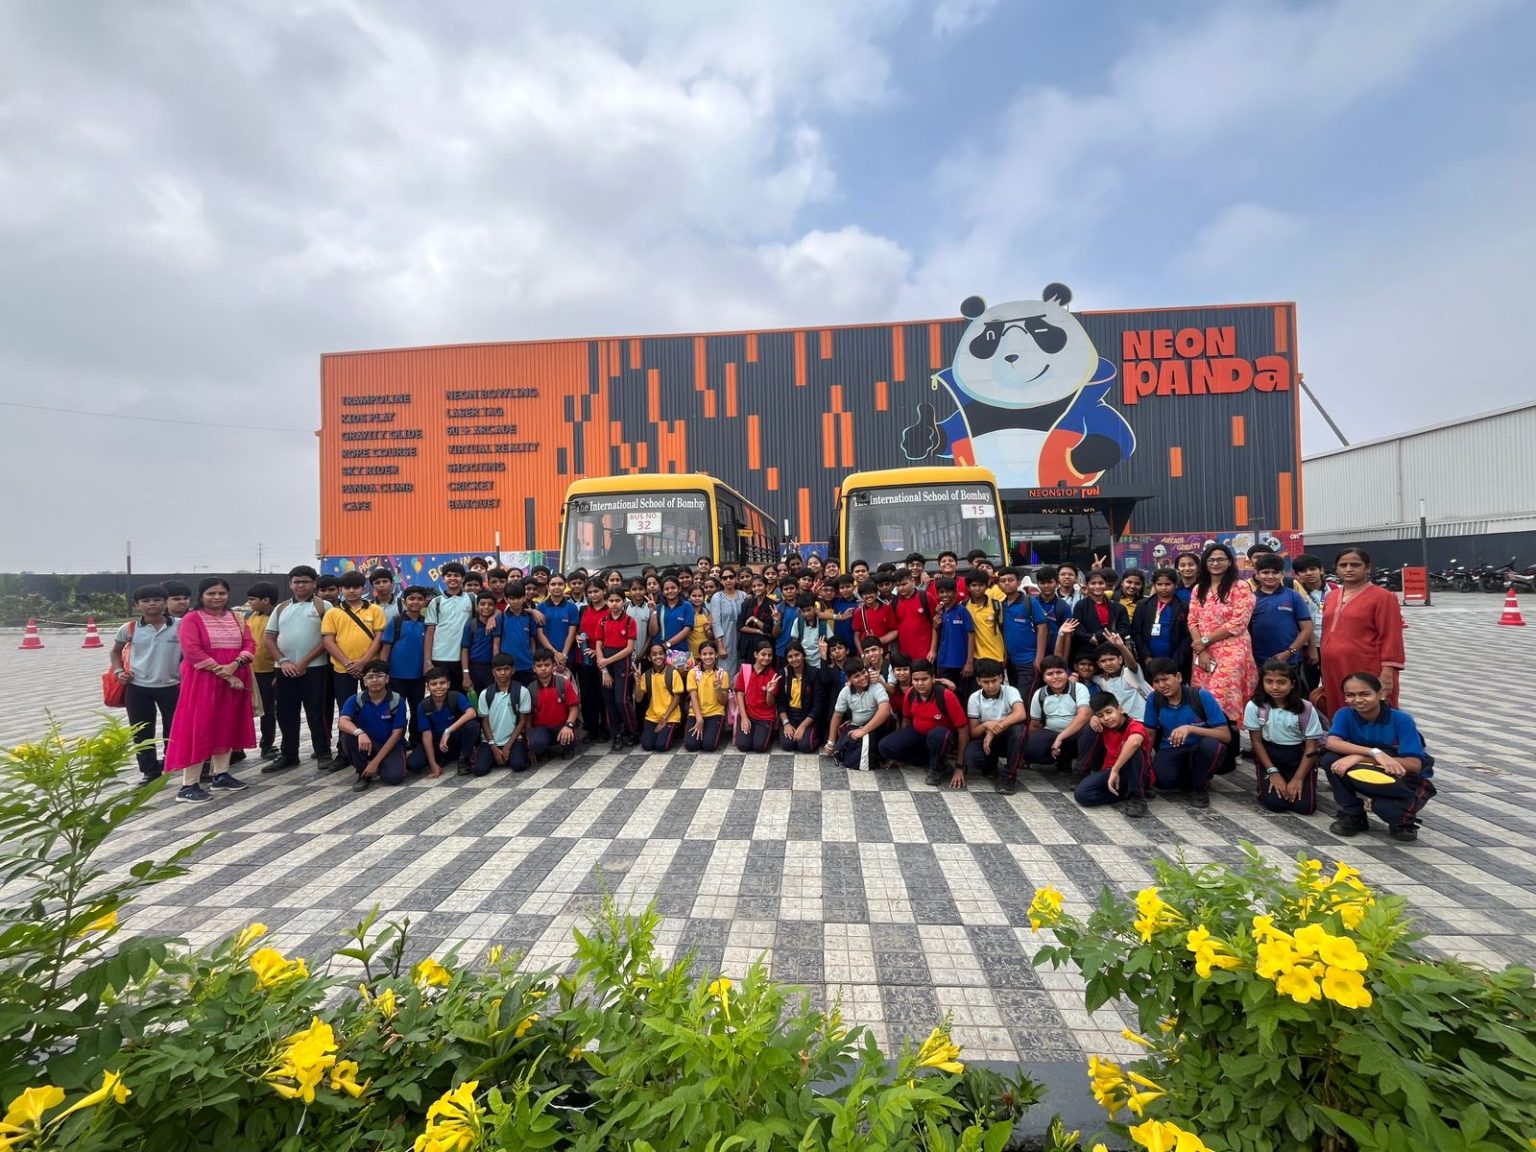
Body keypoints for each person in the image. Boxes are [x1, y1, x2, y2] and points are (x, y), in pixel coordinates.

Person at [163, 578, 255, 802]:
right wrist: (225, 673)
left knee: (227, 724)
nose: (217, 597)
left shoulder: (237, 618)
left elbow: (250, 644)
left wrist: (235, 665)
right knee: (199, 727)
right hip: (203, 680)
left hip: (235, 676)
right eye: (211, 593)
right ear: (201, 596)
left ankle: (220, 774)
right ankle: (189, 785)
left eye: (221, 593)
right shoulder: (192, 619)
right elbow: (192, 651)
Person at [1322, 671, 1437, 842]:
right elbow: (1332, 743)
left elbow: (1414, 764)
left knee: (1387, 810)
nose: (1357, 700)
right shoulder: (1345, 714)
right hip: (1369, 773)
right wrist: (1374, 753)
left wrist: (1358, 757)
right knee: (1330, 759)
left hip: (1401, 779)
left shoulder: (1401, 719)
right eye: (1350, 695)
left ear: (1380, 694)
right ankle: (1353, 815)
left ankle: (1403, 822)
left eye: (1365, 694)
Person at [1320, 547, 1405, 717]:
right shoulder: (1331, 596)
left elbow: (1391, 636)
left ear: (1367, 568)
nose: (1348, 569)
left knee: (1370, 710)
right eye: (1343, 565)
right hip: (1333, 667)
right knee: (1339, 708)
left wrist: (1388, 671)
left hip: (1366, 665)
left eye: (1355, 565)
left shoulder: (1383, 597)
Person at [111, 584, 183, 782]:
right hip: (138, 688)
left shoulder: (181, 625)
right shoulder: (129, 628)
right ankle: (149, 771)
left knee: (175, 728)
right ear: (137, 605)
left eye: (157, 600)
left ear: (165, 603)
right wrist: (119, 672)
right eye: (146, 601)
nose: (152, 604)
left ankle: (171, 760)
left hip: (172, 686)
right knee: (141, 730)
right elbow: (115, 651)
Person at [263, 565, 332, 772]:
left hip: (315, 668)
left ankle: (323, 753)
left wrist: (303, 662)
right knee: (285, 712)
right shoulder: (281, 608)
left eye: (305, 581)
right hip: (284, 669)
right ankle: (289, 754)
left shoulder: (324, 606)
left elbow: (328, 639)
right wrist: (283, 661)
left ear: (314, 583)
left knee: (316, 712)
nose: (300, 585)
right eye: (296, 582)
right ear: (290, 584)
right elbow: (269, 638)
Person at [1187, 543, 1257, 739]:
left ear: (1229, 562)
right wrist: (1201, 649)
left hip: (1232, 650)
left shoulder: (1240, 587)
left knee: (1225, 696)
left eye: (1220, 559)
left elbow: (1238, 622)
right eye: (1211, 560)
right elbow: (1192, 620)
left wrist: (1205, 640)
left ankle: (1230, 743)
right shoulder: (1199, 589)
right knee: (1203, 696)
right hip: (1203, 651)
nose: (1215, 563)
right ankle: (1209, 745)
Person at [1141, 657, 1231, 808]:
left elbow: (1225, 735)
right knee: (1163, 781)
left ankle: (1200, 787)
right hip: (1171, 748)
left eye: (1165, 679)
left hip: (1200, 747)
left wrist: (1190, 728)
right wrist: (1146, 762)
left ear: (1178, 677)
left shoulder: (1200, 696)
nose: (1161, 685)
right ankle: (1192, 778)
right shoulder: (1153, 699)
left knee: (1211, 747)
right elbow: (1149, 733)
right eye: (1156, 681)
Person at [1244, 659, 1324, 814]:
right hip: (1270, 755)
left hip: (1299, 756)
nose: (1275, 687)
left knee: (1305, 808)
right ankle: (1266, 784)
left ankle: (1298, 780)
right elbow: (1257, 742)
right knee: (1276, 804)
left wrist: (1298, 778)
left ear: (1292, 684)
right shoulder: (1255, 706)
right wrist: (1273, 772)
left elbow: (1311, 747)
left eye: (1281, 682)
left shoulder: (1306, 708)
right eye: (1269, 681)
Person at [879, 659, 969, 788]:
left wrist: (959, 766)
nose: (920, 683)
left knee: (937, 735)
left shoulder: (946, 695)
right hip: (919, 734)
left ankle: (937, 768)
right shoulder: (911, 693)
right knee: (885, 746)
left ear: (932, 678)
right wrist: (898, 751)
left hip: (943, 737)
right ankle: (930, 759)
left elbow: (963, 730)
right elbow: (906, 721)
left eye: (924, 679)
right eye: (916, 680)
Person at [321, 572, 386, 744]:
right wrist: (348, 663)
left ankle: (375, 743)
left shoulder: (375, 610)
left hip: (371, 670)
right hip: (343, 669)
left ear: (363, 589)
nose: (351, 591)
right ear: (341, 589)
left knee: (374, 706)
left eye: (356, 587)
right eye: (347, 587)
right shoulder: (333, 613)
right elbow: (328, 641)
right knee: (345, 709)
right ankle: (345, 747)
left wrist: (364, 662)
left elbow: (379, 637)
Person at [1072, 692, 1149, 817]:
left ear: (1120, 709)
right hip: (1111, 772)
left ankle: (1137, 798)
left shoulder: (1135, 725)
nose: (1106, 718)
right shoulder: (1103, 725)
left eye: (1109, 712)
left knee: (1135, 751)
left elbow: (1135, 742)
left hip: (1134, 772)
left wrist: (1115, 769)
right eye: (1101, 715)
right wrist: (1093, 719)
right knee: (1082, 795)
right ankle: (1123, 795)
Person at [337, 660, 409, 792]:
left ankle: (376, 766)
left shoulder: (397, 701)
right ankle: (363, 773)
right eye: (370, 677)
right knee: (347, 736)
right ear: (364, 681)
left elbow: (397, 734)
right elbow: (342, 722)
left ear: (387, 679)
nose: (375, 680)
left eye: (379, 676)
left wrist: (376, 762)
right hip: (366, 743)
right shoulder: (356, 699)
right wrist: (360, 733)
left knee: (394, 778)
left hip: (390, 745)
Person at [379, 586, 431, 750]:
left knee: (417, 710)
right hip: (396, 676)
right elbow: (385, 649)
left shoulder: (427, 623)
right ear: (404, 601)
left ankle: (416, 740)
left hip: (418, 677)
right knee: (396, 710)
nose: (415, 602)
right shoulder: (396, 622)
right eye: (411, 598)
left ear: (425, 602)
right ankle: (398, 741)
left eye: (419, 599)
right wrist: (382, 674)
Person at [1023, 655, 1094, 774]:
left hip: (1075, 734)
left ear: (1067, 673)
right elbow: (1035, 725)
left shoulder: (1079, 688)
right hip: (1051, 732)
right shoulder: (1040, 694)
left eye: (1059, 672)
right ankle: (1059, 759)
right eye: (1050, 674)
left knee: (1089, 731)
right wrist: (1030, 748)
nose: (1055, 677)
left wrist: (1060, 738)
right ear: (1044, 678)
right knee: (1031, 748)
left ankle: (1081, 771)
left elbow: (1084, 715)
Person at [964, 658, 1027, 790]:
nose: (991, 685)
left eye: (994, 680)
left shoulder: (1010, 691)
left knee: (1019, 731)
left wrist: (993, 730)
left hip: (1006, 737)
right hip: (986, 740)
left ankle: (1009, 776)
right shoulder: (975, 698)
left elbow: (1021, 714)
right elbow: (973, 731)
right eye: (986, 682)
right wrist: (987, 725)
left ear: (1001, 678)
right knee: (973, 758)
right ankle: (990, 766)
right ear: (978, 681)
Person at [407, 666, 479, 778]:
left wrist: (448, 731)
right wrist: (432, 764)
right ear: (427, 687)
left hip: (454, 737)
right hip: (435, 741)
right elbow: (426, 735)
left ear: (448, 684)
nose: (438, 687)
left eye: (442, 683)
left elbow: (472, 713)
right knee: (413, 764)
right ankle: (441, 758)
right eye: (434, 684)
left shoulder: (456, 696)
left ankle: (464, 757)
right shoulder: (423, 705)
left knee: (472, 725)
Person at [822, 658, 893, 771]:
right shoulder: (845, 691)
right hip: (855, 726)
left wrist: (863, 731)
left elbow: (885, 710)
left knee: (859, 754)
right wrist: (831, 742)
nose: (862, 677)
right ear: (848, 679)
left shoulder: (876, 686)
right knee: (841, 748)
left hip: (876, 727)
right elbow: (837, 715)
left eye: (864, 672)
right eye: (856, 676)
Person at [1249, 554, 1314, 668]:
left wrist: (1289, 652)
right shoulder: (1250, 599)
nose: (1270, 576)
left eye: (1275, 572)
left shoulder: (1293, 596)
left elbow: (1307, 629)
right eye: (1265, 572)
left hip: (1289, 661)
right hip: (1258, 662)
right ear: (1257, 575)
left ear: (1282, 574)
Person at [595, 589, 638, 752]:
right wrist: (604, 669)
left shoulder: (629, 621)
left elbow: (629, 648)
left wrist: (608, 661)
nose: (614, 604)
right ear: (607, 602)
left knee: (622, 700)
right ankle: (617, 735)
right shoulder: (602, 621)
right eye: (611, 600)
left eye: (618, 600)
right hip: (605, 665)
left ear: (623, 602)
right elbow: (598, 645)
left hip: (622, 662)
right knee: (609, 701)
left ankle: (632, 731)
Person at [476, 654, 531, 774]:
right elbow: (484, 722)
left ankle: (506, 756)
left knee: (519, 765)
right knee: (479, 770)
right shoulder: (485, 694)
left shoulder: (522, 691)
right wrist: (493, 747)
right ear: (493, 672)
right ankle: (497, 757)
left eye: (506, 669)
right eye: (499, 669)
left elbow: (522, 721)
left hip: (514, 739)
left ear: (513, 670)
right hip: (490, 741)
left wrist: (508, 746)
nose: (502, 673)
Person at [243, 583, 280, 761]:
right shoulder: (249, 616)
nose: (249, 603)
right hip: (249, 671)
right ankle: (237, 748)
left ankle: (267, 745)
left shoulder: (277, 617)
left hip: (269, 672)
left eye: (252, 600)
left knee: (267, 711)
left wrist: (278, 673)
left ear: (266, 600)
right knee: (242, 710)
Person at [1130, 568, 1191, 675]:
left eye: (1168, 584)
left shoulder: (1184, 606)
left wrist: (1176, 661)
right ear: (1154, 585)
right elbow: (1136, 632)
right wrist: (1146, 656)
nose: (1163, 588)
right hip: (1148, 661)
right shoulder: (1143, 605)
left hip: (1175, 661)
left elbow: (1187, 636)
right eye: (1159, 584)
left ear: (1175, 585)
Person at [998, 567, 1048, 696]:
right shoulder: (1001, 605)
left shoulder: (1030, 602)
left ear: (1018, 582)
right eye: (1003, 581)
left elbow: (1042, 628)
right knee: (1015, 698)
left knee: (1025, 698)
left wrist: (1039, 659)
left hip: (1029, 661)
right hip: (1011, 662)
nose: (1007, 583)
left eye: (1011, 580)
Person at [1066, 569, 1132, 664]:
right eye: (1093, 583)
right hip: (1087, 655)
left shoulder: (1118, 608)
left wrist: (1099, 636)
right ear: (1086, 585)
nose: (1097, 586)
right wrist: (1090, 638)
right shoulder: (1080, 606)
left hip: (1113, 655)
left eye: (1101, 583)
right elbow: (1077, 629)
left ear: (1106, 585)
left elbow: (1125, 630)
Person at [525, 650, 581, 762]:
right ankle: (543, 749)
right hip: (541, 727)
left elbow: (574, 708)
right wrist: (528, 736)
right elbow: (529, 715)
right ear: (534, 668)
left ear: (554, 665)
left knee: (570, 739)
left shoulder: (563, 683)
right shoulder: (531, 688)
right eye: (539, 666)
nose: (543, 668)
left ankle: (568, 748)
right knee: (536, 743)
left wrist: (569, 725)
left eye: (547, 665)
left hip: (562, 725)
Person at [423, 561, 474, 678]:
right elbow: (429, 633)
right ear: (443, 579)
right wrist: (427, 661)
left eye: (456, 575)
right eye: (449, 575)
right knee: (440, 688)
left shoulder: (472, 599)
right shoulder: (436, 602)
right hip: (439, 656)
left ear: (463, 578)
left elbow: (491, 611)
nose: (452, 578)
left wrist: (492, 618)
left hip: (464, 657)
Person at [634, 642, 685, 752]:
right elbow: (638, 699)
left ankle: (671, 731)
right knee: (647, 746)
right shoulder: (646, 675)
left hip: (670, 716)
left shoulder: (673, 673)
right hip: (652, 716)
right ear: (649, 657)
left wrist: (664, 718)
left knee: (661, 746)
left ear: (665, 655)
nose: (658, 657)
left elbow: (677, 697)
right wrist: (637, 682)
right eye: (654, 654)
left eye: (661, 653)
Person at [577, 582, 611, 741]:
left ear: (604, 590)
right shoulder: (584, 609)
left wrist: (597, 651)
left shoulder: (611, 609)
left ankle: (605, 728)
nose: (593, 595)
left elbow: (613, 635)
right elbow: (579, 629)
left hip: (603, 659)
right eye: (590, 592)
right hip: (584, 659)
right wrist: (577, 637)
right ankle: (591, 729)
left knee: (603, 696)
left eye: (596, 591)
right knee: (587, 696)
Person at [929, 578, 975, 694]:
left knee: (961, 695)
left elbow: (971, 635)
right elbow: (936, 630)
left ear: (955, 592)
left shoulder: (962, 611)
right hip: (943, 662)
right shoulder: (939, 612)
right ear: (937, 594)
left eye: (949, 591)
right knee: (945, 694)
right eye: (942, 592)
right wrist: (933, 650)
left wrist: (969, 662)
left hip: (961, 663)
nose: (945, 595)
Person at [1292, 553, 1328, 698]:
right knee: (1308, 687)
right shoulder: (1295, 594)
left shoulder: (1336, 589)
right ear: (1297, 575)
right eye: (1303, 571)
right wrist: (1311, 648)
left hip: (1330, 644)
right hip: (1307, 646)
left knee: (1332, 683)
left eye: (1312, 569)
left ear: (1321, 570)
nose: (1309, 573)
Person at [684, 641, 731, 752]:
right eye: (704, 654)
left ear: (716, 655)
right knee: (691, 746)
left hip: (715, 713)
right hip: (696, 713)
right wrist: (699, 718)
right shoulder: (693, 673)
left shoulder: (722, 674)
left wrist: (718, 689)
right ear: (700, 656)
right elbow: (693, 696)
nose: (708, 657)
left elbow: (723, 702)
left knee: (709, 746)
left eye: (711, 653)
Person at [733, 643, 780, 752]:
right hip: (748, 715)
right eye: (763, 654)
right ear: (755, 654)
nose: (766, 658)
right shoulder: (745, 670)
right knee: (743, 746)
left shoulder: (772, 675)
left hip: (765, 717)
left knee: (760, 747)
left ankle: (768, 733)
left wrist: (769, 691)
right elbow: (740, 694)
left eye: (770, 655)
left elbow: (770, 704)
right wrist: (744, 717)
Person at [535, 573, 582, 672]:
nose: (556, 587)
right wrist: (555, 653)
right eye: (553, 584)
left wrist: (563, 656)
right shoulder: (541, 607)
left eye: (560, 584)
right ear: (547, 586)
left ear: (565, 586)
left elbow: (571, 634)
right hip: (545, 657)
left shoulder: (572, 608)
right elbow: (540, 634)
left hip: (566, 657)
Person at [777, 644, 819, 752]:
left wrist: (802, 726)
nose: (794, 659)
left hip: (808, 717)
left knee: (805, 746)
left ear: (803, 655)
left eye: (797, 655)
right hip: (790, 716)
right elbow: (780, 703)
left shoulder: (814, 673)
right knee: (787, 745)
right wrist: (786, 724)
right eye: (790, 657)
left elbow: (818, 705)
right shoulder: (783, 674)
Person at [460, 591, 502, 693]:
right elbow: (465, 650)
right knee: (474, 698)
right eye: (482, 604)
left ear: (495, 607)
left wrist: (497, 668)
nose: (486, 607)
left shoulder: (498, 622)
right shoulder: (470, 625)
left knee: (492, 696)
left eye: (490, 604)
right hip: (474, 668)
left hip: (491, 667)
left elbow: (502, 612)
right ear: (477, 607)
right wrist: (466, 674)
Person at [708, 568, 746, 677]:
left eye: (731, 577)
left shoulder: (743, 595)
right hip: (725, 639)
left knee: (742, 669)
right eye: (725, 578)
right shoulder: (717, 597)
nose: (728, 580)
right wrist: (720, 645)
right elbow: (716, 622)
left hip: (742, 638)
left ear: (736, 578)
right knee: (726, 671)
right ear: (721, 581)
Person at [499, 583, 538, 685]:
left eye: (519, 598)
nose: (516, 601)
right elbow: (496, 641)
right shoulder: (501, 617)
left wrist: (533, 659)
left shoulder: (530, 617)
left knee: (527, 692)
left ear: (524, 598)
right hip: (507, 665)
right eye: (512, 598)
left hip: (527, 664)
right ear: (506, 599)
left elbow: (532, 640)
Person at [739, 574, 779, 666]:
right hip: (747, 645)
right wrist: (757, 631)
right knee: (748, 671)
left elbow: (768, 630)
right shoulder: (746, 603)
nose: (756, 588)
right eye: (754, 586)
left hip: (765, 645)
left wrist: (755, 619)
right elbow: (740, 626)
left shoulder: (773, 605)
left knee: (765, 670)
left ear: (766, 587)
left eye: (760, 585)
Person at [852, 580, 898, 652]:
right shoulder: (858, 612)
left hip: (884, 651)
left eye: (871, 593)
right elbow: (856, 636)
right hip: (866, 652)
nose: (868, 596)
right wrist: (862, 654)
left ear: (876, 593)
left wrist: (878, 641)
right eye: (865, 594)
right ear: (861, 596)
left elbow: (894, 631)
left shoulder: (887, 608)